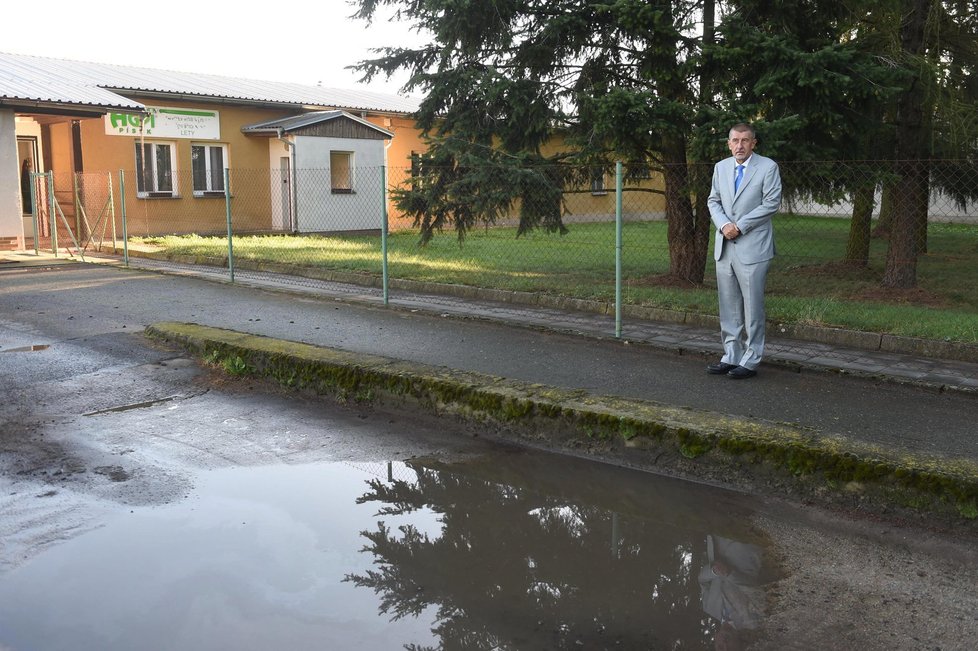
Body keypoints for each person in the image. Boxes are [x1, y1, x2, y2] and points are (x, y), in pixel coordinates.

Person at [706, 123, 782, 379]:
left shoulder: (768, 167)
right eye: (735, 141)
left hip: (753, 248)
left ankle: (751, 359)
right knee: (729, 307)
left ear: (753, 143)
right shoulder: (721, 167)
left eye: (745, 141)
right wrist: (724, 225)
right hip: (725, 246)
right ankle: (731, 356)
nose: (740, 145)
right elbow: (713, 201)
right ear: (729, 143)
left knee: (752, 307)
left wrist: (739, 226)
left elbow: (771, 203)